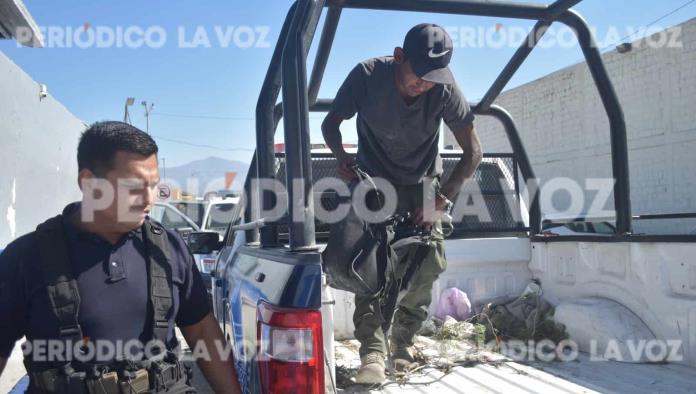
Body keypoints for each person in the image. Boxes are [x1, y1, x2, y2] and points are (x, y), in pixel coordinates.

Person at [0, 122, 241, 393]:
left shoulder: (169, 249)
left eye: (153, 185)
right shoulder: (25, 257)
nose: (148, 199)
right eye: (134, 186)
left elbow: (202, 333)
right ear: (89, 183)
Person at [321, 24, 483, 384]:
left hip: (425, 184)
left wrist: (440, 200)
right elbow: (331, 124)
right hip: (373, 183)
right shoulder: (367, 76)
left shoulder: (443, 89)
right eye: (419, 76)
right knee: (369, 270)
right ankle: (373, 354)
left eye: (433, 79)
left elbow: (473, 152)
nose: (424, 85)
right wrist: (339, 155)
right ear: (399, 56)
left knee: (428, 265)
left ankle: (404, 344)